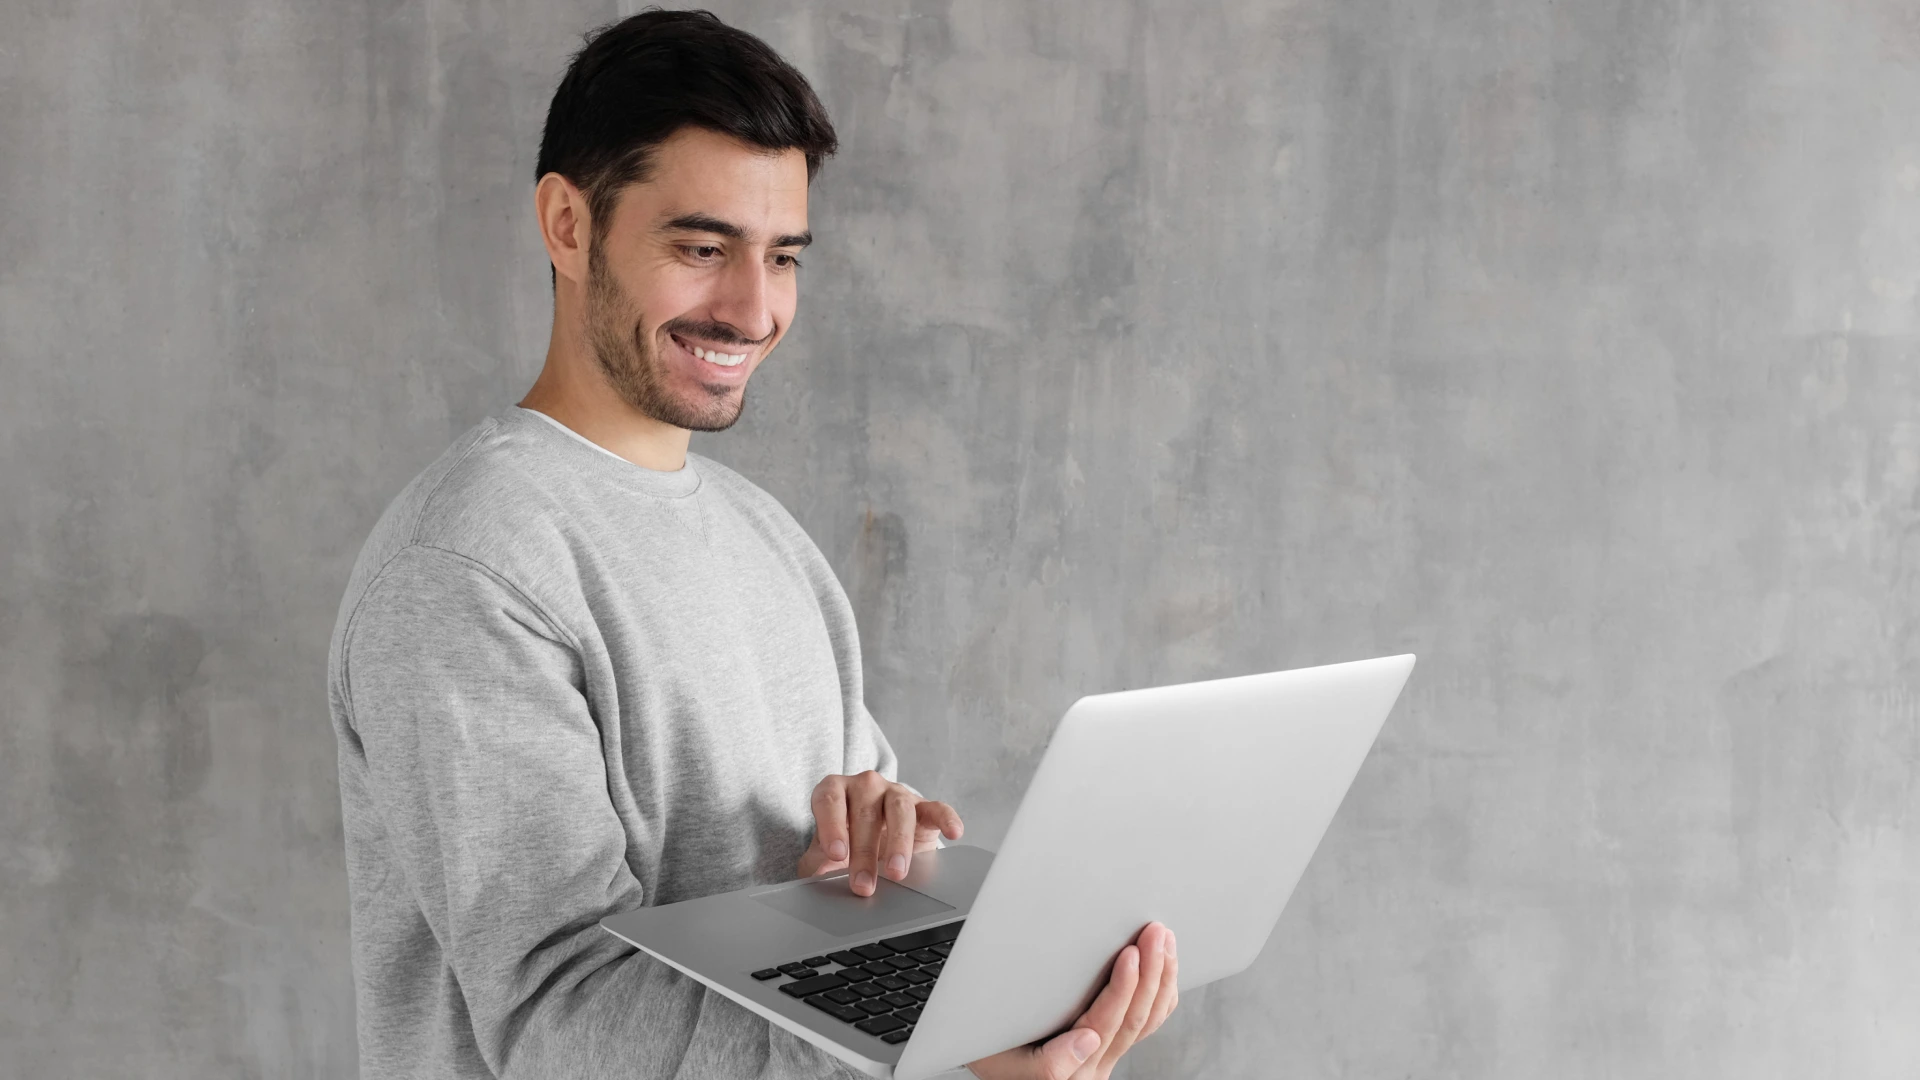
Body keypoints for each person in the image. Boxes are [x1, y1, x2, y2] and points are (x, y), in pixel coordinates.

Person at [325, 9, 1177, 1079]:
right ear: (569, 226)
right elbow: (553, 1022)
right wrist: (924, 1064)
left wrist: (884, 891)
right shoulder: (467, 567)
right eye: (701, 247)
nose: (752, 308)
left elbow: (815, 915)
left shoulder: (767, 542)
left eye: (783, 257)